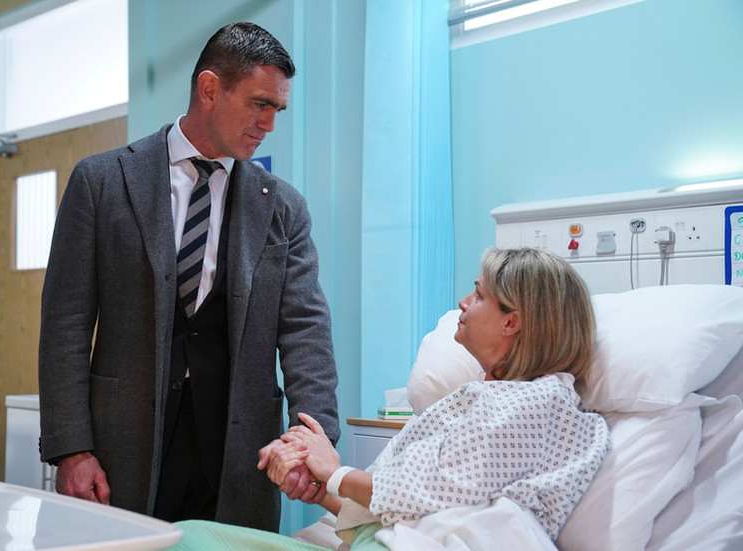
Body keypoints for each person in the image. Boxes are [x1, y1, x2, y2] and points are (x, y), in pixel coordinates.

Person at [37, 22, 339, 532]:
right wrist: (72, 449)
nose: (268, 123)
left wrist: (314, 438)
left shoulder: (283, 208)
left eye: (277, 109)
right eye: (259, 104)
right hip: (122, 449)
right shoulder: (102, 183)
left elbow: (306, 330)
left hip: (239, 453)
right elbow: (65, 326)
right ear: (210, 89)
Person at [164, 247, 611, 549]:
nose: (463, 302)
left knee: (185, 541)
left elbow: (431, 492)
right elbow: (407, 507)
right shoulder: (490, 397)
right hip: (382, 539)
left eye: (478, 294)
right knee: (186, 537)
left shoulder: (538, 404)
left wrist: (335, 471)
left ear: (512, 322)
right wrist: (322, 489)